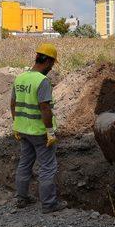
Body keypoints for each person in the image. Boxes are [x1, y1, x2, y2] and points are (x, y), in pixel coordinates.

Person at [11, 43, 67, 214]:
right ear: (48, 61)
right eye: (52, 64)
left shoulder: (20, 78)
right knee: (47, 167)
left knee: (24, 164)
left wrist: (16, 124)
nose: (51, 68)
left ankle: (21, 198)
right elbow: (45, 108)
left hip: (23, 130)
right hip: (39, 132)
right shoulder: (42, 81)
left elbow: (13, 104)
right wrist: (50, 131)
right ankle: (49, 204)